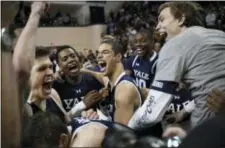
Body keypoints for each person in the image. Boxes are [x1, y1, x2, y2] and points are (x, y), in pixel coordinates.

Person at [128, 1, 225, 129]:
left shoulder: (175, 44)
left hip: (209, 132)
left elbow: (151, 114)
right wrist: (184, 111)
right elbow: (210, 85)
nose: (157, 27)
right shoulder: (219, 35)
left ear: (180, 19)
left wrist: (125, 128)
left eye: (162, 20)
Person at [82, 37, 143, 125]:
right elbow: (100, 76)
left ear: (118, 57)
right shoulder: (111, 82)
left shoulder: (124, 90)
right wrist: (83, 70)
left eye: (105, 52)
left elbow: (121, 135)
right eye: (98, 53)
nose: (99, 56)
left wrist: (96, 121)